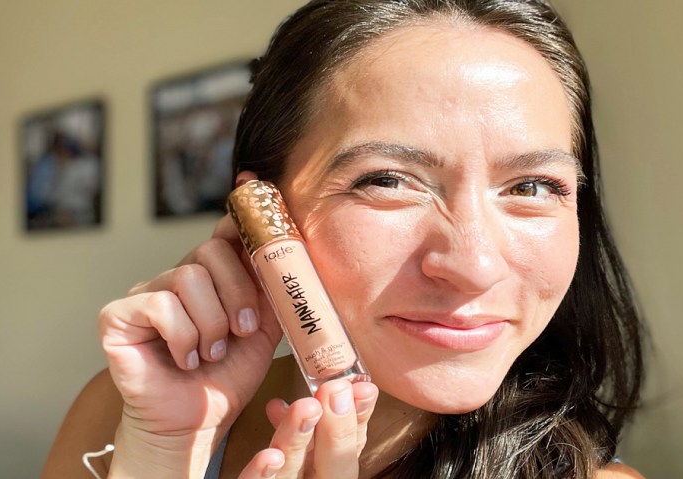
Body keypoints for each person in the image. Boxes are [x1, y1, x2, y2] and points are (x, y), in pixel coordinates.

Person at [43, 0, 645, 477]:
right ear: (264, 208)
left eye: (534, 186)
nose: (474, 264)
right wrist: (160, 458)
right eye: (386, 180)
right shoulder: (136, 415)